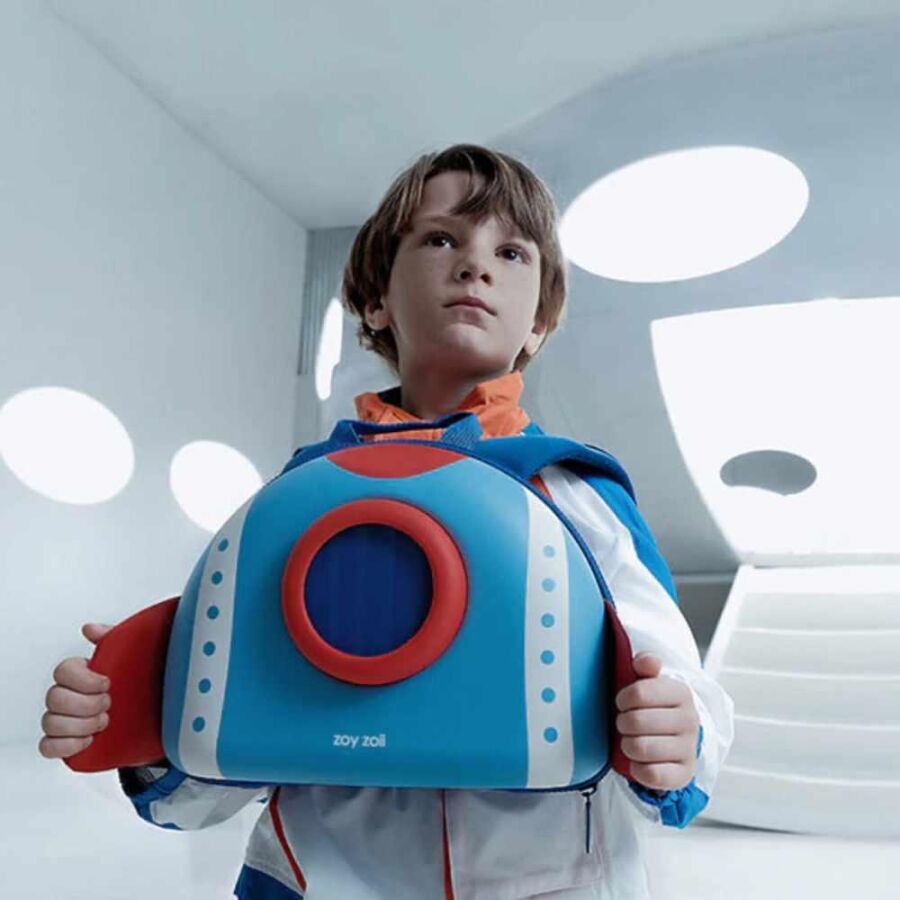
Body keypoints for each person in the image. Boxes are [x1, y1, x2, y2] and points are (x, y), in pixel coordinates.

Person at [38, 144, 734, 900]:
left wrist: (675, 730)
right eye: (440, 239)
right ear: (375, 301)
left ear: (538, 321)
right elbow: (222, 758)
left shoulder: (573, 494)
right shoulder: (293, 504)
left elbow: (677, 686)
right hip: (313, 882)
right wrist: (137, 725)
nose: (475, 266)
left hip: (547, 882)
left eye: (510, 252)